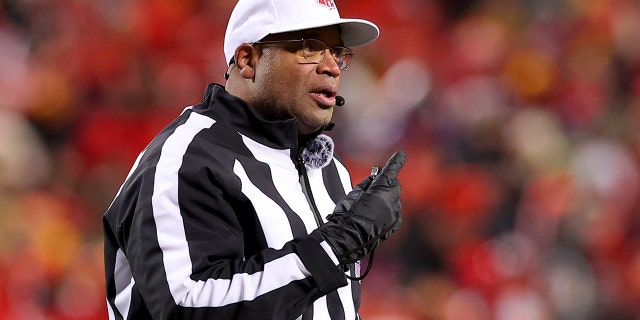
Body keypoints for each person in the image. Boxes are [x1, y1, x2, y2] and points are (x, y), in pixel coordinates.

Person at [103, 0, 406, 319]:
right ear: (247, 60)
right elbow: (184, 308)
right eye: (311, 48)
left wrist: (334, 247)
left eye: (337, 53)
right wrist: (331, 249)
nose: (331, 66)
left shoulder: (328, 167)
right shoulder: (183, 161)